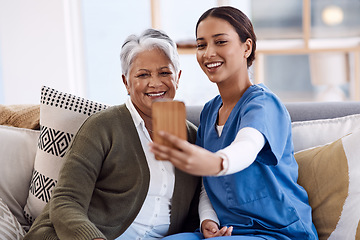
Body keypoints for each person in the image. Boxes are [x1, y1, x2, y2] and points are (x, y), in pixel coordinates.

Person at [149, 6, 318, 240]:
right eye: (201, 45)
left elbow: (246, 147)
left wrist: (216, 162)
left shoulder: (263, 103)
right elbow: (208, 186)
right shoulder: (209, 112)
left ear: (246, 47)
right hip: (227, 231)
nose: (208, 53)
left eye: (220, 42)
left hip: (277, 232)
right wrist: (208, 219)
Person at [24, 29, 200, 240]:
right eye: (143, 75)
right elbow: (66, 201)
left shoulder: (192, 137)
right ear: (126, 82)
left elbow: (197, 207)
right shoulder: (102, 127)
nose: (155, 83)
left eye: (164, 73)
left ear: (177, 77)